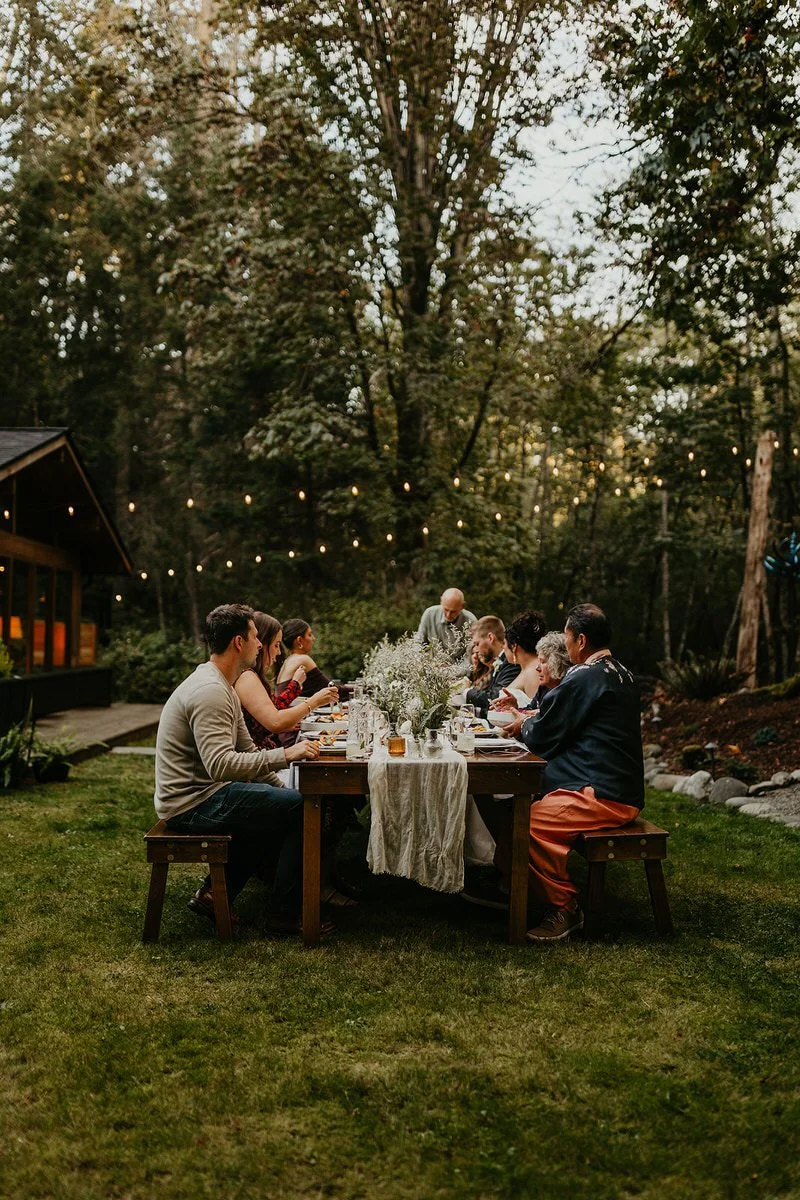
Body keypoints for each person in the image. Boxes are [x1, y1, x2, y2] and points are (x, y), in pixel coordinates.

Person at [154, 603, 330, 937]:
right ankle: (283, 913)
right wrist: (286, 755)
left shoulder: (222, 683)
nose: (261, 645)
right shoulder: (210, 692)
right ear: (239, 642)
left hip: (205, 792)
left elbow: (247, 751)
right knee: (300, 808)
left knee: (287, 800)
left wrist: (279, 785)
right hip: (191, 803)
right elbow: (220, 765)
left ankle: (215, 894)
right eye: (255, 637)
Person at [517, 603, 644, 943]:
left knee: (525, 823)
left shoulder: (585, 675)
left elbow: (544, 733)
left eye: (569, 638)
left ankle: (565, 907)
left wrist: (524, 723)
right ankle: (513, 886)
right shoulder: (622, 672)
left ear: (582, 640)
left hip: (603, 794)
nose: (567, 645)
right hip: (621, 787)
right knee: (530, 803)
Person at [236, 611, 337, 752]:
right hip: (260, 762)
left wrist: (295, 688)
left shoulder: (253, 676)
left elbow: (273, 711)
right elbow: (276, 720)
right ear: (262, 643)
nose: (278, 652)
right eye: (276, 645)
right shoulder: (247, 677)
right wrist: (314, 701)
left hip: (268, 755)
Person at [492, 630, 571, 719]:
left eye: (543, 662)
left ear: (558, 662)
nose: (537, 668)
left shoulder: (566, 691)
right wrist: (514, 707)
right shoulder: (543, 688)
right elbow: (529, 710)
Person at [465, 615, 525, 716]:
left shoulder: (511, 662)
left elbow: (497, 697)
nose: (476, 649)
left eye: (477, 644)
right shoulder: (499, 662)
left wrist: (466, 692)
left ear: (490, 637)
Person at [414, 588, 476, 665]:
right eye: (446, 609)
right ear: (441, 602)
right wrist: (419, 661)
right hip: (434, 667)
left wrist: (456, 671)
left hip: (459, 670)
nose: (448, 615)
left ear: (462, 606)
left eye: (453, 611)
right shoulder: (429, 614)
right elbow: (418, 642)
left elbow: (471, 655)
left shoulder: (471, 621)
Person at [276, 618, 331, 700]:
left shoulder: (288, 660)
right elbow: (330, 689)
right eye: (309, 635)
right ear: (299, 640)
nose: (313, 638)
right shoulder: (303, 659)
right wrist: (355, 688)